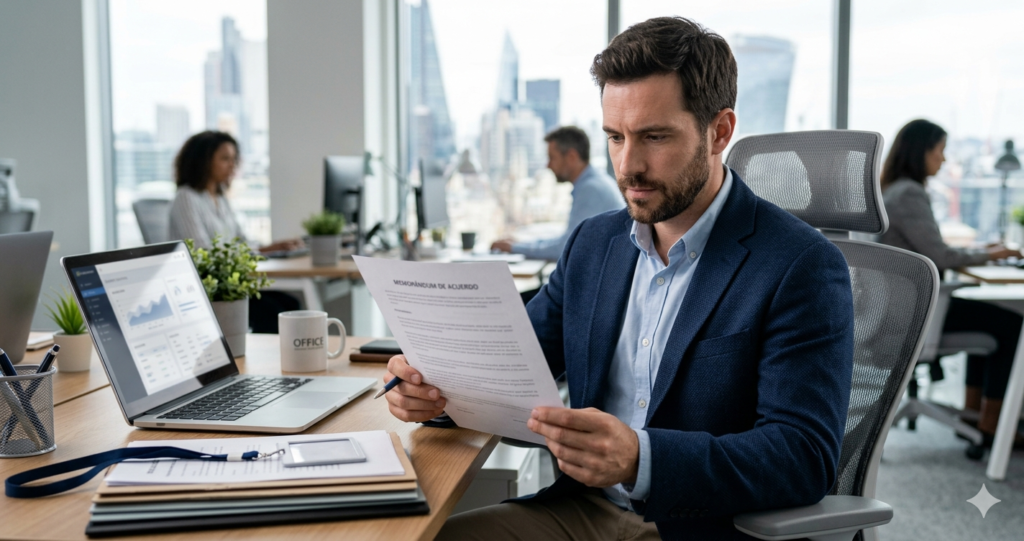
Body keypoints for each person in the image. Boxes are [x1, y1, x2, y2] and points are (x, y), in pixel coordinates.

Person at [385, 17, 855, 540]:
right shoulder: (594, 244)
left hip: (703, 527)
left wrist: (641, 459)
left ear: (719, 132)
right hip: (582, 510)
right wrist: (433, 394)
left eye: (654, 136)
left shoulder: (800, 265)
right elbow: (507, 367)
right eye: (615, 137)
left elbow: (803, 456)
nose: (628, 165)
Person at [879, 119, 1023, 446]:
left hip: (896, 309)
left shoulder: (892, 189)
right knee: (1011, 324)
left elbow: (933, 248)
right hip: (915, 315)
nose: (943, 159)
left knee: (990, 318)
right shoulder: (909, 193)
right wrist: (993, 254)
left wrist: (984, 250)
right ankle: (992, 424)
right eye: (939, 150)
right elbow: (941, 256)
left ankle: (972, 416)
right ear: (920, 151)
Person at [169, 130, 302, 332]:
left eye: (234, 159)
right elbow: (202, 253)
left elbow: (241, 240)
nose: (232, 165)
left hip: (229, 282)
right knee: (274, 311)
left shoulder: (220, 198)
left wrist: (270, 247)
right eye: (225, 159)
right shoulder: (186, 198)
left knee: (290, 304)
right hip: (208, 289)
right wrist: (260, 251)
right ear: (203, 161)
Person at [491, 126, 624, 260]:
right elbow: (568, 240)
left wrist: (513, 248)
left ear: (571, 157)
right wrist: (520, 244)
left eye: (552, 158)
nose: (548, 165)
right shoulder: (596, 182)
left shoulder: (590, 190)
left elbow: (566, 249)